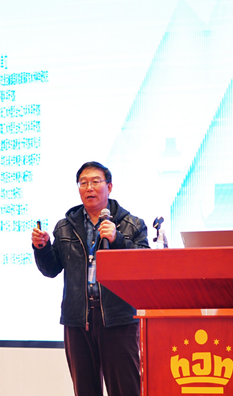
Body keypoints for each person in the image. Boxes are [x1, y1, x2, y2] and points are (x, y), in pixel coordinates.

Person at [31, 161, 149, 396]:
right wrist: (41, 247)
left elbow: (144, 266)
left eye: (95, 182)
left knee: (125, 389)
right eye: (83, 183)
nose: (89, 188)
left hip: (117, 318)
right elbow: (51, 269)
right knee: (85, 390)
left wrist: (118, 240)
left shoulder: (131, 224)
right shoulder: (65, 227)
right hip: (78, 319)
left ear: (109, 187)